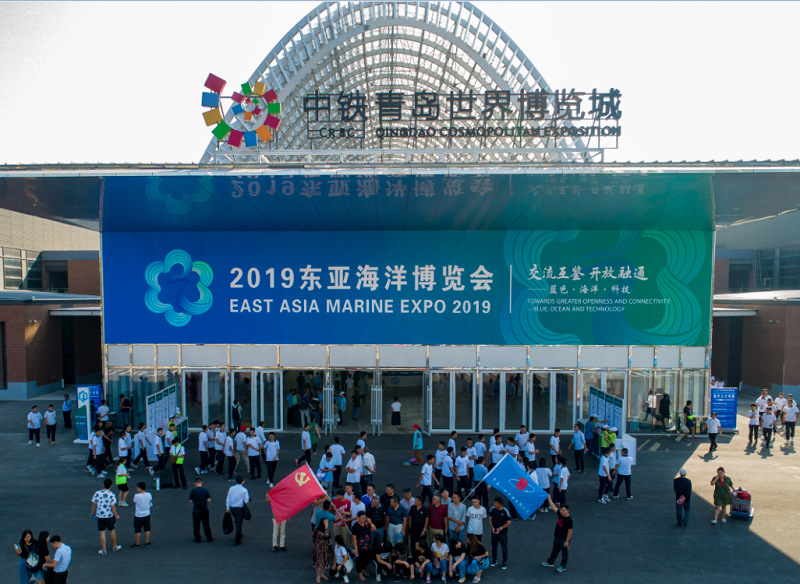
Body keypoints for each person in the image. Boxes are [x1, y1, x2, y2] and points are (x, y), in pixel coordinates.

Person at [540, 495, 572, 573]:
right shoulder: (561, 514)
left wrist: (567, 541)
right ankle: (550, 562)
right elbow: (554, 507)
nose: (562, 511)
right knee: (555, 550)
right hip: (557, 537)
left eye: (563, 510)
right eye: (561, 510)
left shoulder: (569, 520)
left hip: (563, 539)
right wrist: (549, 499)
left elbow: (570, 531)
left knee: (564, 553)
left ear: (567, 510)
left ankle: (563, 566)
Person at [92, 478, 122, 554]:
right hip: (109, 516)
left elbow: (94, 504)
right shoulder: (111, 494)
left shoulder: (97, 493)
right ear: (111, 485)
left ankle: (104, 550)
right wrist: (116, 515)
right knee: (112, 531)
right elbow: (112, 507)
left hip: (100, 516)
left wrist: (93, 513)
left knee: (102, 533)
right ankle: (114, 546)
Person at [351, 511, 376, 580]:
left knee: (367, 559)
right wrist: (356, 548)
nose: (363, 519)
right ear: (358, 518)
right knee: (360, 560)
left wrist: (370, 523)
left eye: (364, 518)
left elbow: (374, 529)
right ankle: (360, 574)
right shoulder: (355, 526)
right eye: (362, 518)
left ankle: (363, 569)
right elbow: (354, 538)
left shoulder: (367, 523)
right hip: (360, 547)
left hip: (368, 545)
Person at [226, 475, 250, 545]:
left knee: (237, 520)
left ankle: (239, 534)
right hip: (239, 508)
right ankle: (237, 539)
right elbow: (246, 501)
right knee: (239, 523)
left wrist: (227, 508)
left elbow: (228, 498)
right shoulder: (244, 490)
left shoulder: (231, 488)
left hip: (232, 508)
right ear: (242, 482)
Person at [488, 497, 510, 569]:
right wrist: (492, 528)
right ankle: (495, 559)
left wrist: (501, 528)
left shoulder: (505, 511)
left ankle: (504, 561)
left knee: (504, 547)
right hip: (494, 532)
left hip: (502, 533)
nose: (494, 504)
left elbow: (509, 522)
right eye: (494, 503)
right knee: (494, 546)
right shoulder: (492, 509)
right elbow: (490, 519)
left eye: (496, 503)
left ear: (500, 504)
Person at [188, 477, 213, 543]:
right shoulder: (205, 490)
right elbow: (209, 500)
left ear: (195, 483)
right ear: (202, 482)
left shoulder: (193, 491)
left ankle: (197, 538)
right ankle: (209, 537)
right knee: (206, 523)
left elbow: (191, 501)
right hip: (204, 510)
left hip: (196, 510)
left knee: (196, 525)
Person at [131, 482, 152, 548]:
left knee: (137, 530)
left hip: (138, 515)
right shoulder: (149, 494)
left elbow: (134, 501)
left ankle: (138, 543)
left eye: (137, 487)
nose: (137, 489)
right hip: (147, 514)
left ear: (140, 488)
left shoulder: (137, 496)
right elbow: (150, 500)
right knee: (147, 529)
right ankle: (147, 542)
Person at [313, 518, 332, 583]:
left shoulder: (326, 529)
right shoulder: (318, 531)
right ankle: (318, 576)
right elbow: (326, 535)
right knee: (319, 562)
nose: (327, 524)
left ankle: (322, 575)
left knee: (324, 561)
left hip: (325, 548)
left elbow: (328, 536)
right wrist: (326, 527)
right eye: (326, 522)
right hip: (319, 548)